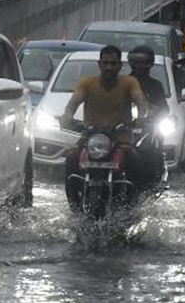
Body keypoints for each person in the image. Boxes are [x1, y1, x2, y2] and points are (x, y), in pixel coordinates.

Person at [58, 44, 149, 209]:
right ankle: (74, 206)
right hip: (90, 139)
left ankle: (133, 207)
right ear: (99, 64)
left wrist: (142, 117)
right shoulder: (87, 83)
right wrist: (67, 116)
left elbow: (140, 100)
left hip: (121, 140)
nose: (109, 67)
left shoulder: (129, 82)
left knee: (136, 163)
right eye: (105, 63)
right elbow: (73, 103)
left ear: (120, 66)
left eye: (113, 64)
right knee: (71, 160)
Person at [127, 46, 168, 187]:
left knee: (152, 150)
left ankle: (153, 180)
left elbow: (164, 109)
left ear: (149, 64)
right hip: (123, 127)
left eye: (143, 63)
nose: (139, 67)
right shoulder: (122, 83)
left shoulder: (155, 86)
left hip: (147, 129)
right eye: (136, 63)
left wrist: (152, 114)